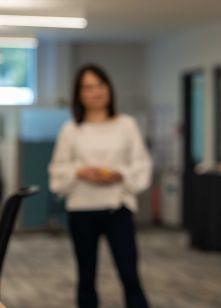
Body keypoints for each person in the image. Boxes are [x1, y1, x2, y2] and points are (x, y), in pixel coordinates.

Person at [49, 64, 152, 308]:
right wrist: (80, 171)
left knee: (130, 274)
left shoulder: (127, 124)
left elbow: (141, 163)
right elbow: (57, 170)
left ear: (109, 89)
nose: (96, 92)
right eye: (88, 87)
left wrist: (119, 174)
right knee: (86, 277)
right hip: (82, 210)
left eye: (100, 85)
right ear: (79, 94)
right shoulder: (71, 129)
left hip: (117, 208)